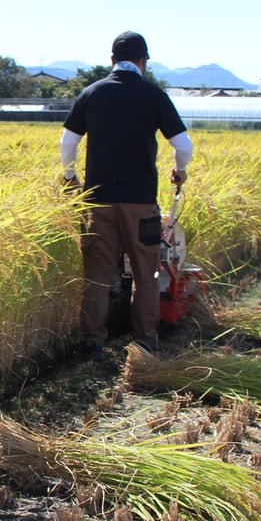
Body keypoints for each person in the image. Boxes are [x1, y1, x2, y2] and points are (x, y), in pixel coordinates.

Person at [59, 30, 193, 360]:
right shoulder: (153, 95)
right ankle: (145, 342)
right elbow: (183, 146)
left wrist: (70, 176)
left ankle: (93, 342)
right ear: (143, 61)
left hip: (98, 200)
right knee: (146, 274)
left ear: (112, 60)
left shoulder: (92, 93)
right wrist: (180, 170)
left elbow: (68, 142)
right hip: (140, 202)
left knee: (97, 274)